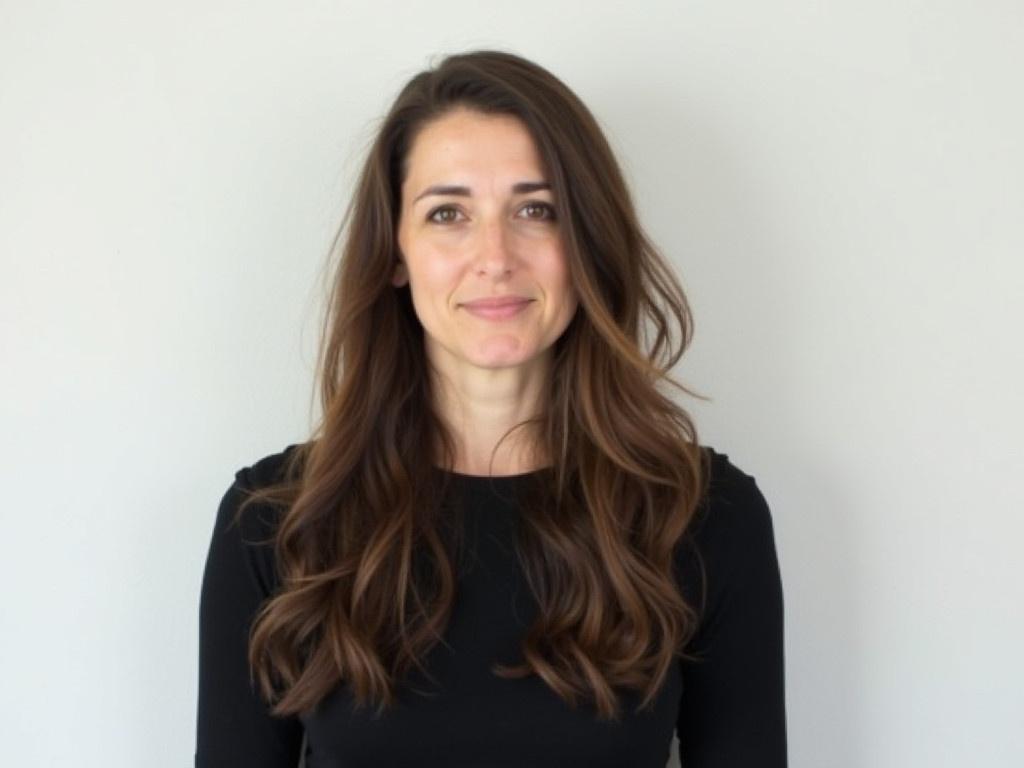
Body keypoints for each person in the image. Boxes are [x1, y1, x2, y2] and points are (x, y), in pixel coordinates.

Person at [195, 49, 786, 767]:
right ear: (395, 254)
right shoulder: (278, 521)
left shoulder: (703, 515)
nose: (495, 255)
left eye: (536, 210)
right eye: (448, 213)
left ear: (586, 242)